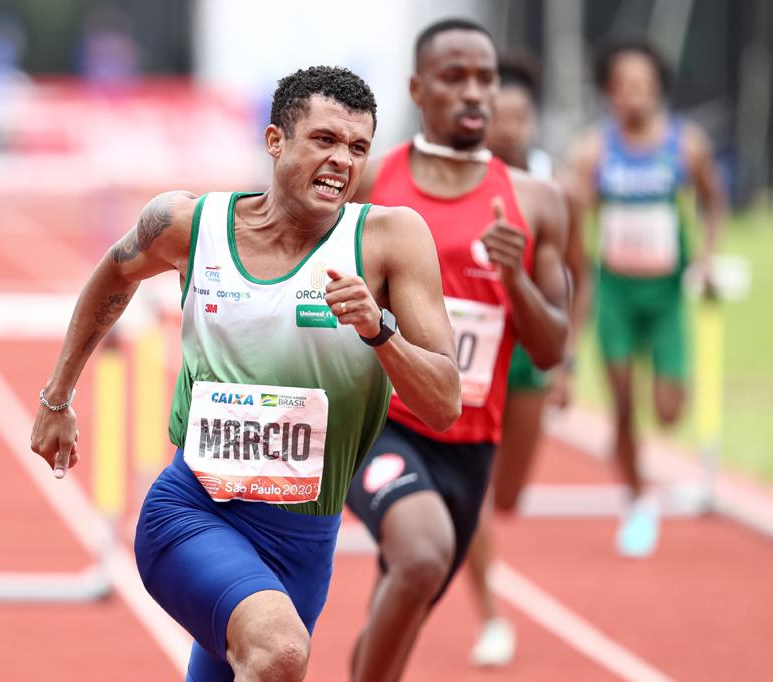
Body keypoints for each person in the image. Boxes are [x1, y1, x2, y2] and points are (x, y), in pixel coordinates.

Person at [30, 66, 461, 682]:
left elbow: (444, 402)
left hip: (305, 541)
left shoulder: (390, 240)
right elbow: (114, 274)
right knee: (279, 653)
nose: (343, 160)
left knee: (249, 665)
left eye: (359, 147)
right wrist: (57, 397)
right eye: (324, 140)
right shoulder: (189, 224)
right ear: (274, 141)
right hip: (194, 513)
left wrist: (379, 330)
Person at [344, 19, 569, 681]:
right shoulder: (372, 184)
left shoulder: (538, 202)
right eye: (454, 78)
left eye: (485, 79)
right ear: (418, 88)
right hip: (379, 425)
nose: (474, 93)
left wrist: (516, 279)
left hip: (471, 444)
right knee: (420, 555)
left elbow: (552, 350)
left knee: (399, 612)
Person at [569, 39, 726, 558]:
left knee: (668, 411)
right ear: (609, 91)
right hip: (614, 294)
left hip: (664, 298)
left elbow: (713, 201)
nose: (634, 94)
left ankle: (644, 482)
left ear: (658, 87)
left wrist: (704, 256)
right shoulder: (595, 150)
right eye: (623, 85)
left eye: (644, 84)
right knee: (621, 405)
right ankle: (637, 499)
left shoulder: (687, 145)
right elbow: (573, 220)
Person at [463, 55, 590, 667]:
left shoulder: (555, 188)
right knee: (474, 491)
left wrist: (568, 363)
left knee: (509, 495)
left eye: (519, 115)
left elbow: (578, 278)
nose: (509, 127)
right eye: (498, 116)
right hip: (472, 352)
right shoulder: (460, 180)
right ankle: (491, 616)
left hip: (530, 355)